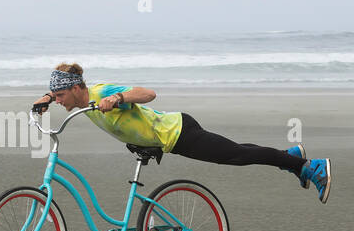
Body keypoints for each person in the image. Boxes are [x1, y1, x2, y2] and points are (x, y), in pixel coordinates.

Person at [33, 62, 331, 202]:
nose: (58, 101)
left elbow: (148, 93)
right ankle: (289, 156)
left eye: (59, 96)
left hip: (178, 132)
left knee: (237, 155)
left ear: (75, 89)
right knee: (237, 149)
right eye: (55, 97)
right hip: (162, 141)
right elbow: (57, 92)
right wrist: (45, 99)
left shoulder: (101, 93)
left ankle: (307, 166)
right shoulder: (80, 97)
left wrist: (119, 99)